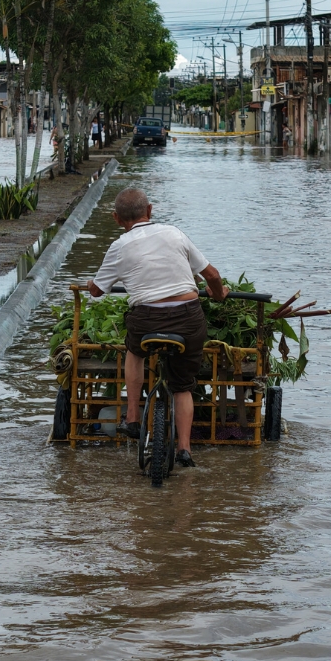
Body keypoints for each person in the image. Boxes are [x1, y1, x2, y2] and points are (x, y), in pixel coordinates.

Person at [87, 188, 228, 467]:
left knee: (134, 349)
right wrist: (219, 294)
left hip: (147, 320)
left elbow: (96, 292)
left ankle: (132, 417)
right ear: (149, 211)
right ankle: (185, 450)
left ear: (117, 219)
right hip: (188, 319)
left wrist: (93, 285)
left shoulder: (118, 246)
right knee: (182, 385)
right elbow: (211, 275)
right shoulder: (174, 233)